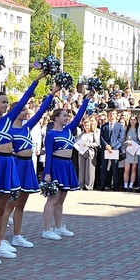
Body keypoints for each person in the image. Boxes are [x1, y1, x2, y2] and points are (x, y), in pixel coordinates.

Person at [0, 75, 44, 265]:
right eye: (3, 102)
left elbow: (24, 99)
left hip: (7, 164)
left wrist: (36, 80)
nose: (6, 105)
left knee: (0, 208)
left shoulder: (8, 120)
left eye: (7, 102)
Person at [3, 84, 54, 249]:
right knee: (9, 205)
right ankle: (1, 239)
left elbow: (40, 112)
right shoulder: (8, 129)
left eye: (26, 110)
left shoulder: (27, 127)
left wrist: (52, 93)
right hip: (15, 165)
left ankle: (17, 236)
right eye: (23, 110)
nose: (26, 112)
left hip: (27, 165)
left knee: (21, 205)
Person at [40, 90, 95, 239]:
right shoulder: (51, 134)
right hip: (56, 165)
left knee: (61, 199)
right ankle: (46, 229)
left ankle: (58, 227)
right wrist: (47, 173)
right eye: (64, 115)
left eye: (67, 116)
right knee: (53, 199)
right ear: (56, 118)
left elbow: (79, 116)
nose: (67, 118)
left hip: (67, 165)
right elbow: (49, 154)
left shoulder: (69, 130)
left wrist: (87, 99)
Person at [75, 115, 99, 192]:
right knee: (81, 169)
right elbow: (77, 143)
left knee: (90, 170)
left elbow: (97, 143)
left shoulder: (93, 134)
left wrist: (88, 144)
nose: (87, 127)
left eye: (88, 125)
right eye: (85, 125)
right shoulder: (81, 135)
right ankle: (81, 185)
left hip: (90, 152)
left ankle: (89, 186)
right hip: (81, 152)